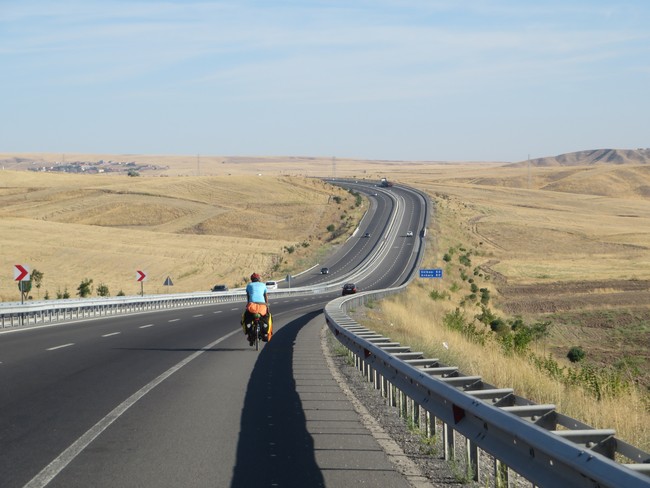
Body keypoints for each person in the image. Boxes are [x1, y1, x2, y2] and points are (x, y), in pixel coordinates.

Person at [241, 272, 273, 344]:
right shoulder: (263, 285)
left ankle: (249, 334)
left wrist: (248, 305)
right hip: (262, 306)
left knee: (247, 317)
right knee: (266, 317)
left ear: (251, 279)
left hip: (252, 306)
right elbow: (265, 296)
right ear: (258, 279)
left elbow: (248, 297)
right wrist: (267, 306)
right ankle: (265, 334)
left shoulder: (249, 285)